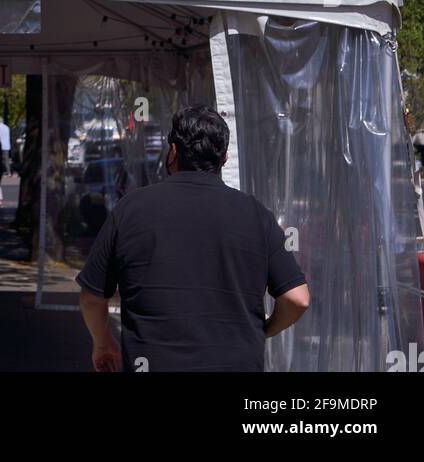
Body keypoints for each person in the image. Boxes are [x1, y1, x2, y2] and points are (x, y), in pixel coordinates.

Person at [77, 105, 310, 373]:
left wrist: (103, 343)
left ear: (173, 151)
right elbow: (297, 299)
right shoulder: (256, 215)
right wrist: (265, 329)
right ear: (223, 157)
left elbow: (92, 298)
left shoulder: (130, 210)